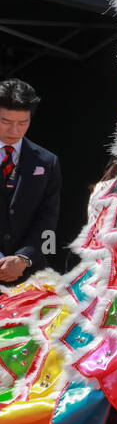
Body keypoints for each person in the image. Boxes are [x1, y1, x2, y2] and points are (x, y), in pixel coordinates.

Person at [0, 78, 61, 284]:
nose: (14, 131)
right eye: (6, 122)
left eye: (23, 123)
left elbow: (49, 219)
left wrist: (24, 258)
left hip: (29, 275)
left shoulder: (48, 161)